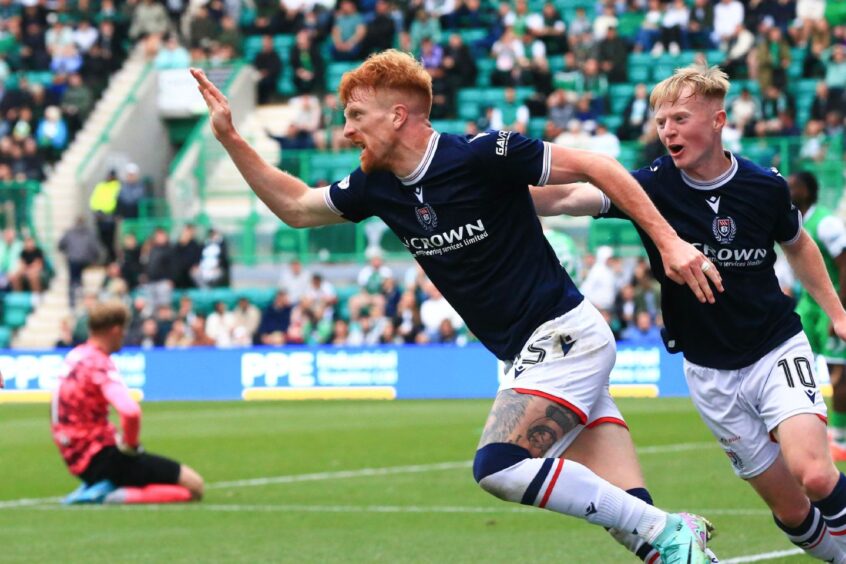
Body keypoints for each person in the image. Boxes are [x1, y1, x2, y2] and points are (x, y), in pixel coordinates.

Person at [190, 51, 722, 562]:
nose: (346, 130)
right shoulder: (377, 186)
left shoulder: (481, 155)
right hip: (525, 352)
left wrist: (671, 242)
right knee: (633, 521)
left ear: (398, 115)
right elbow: (297, 207)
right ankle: (675, 534)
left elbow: (598, 167)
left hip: (562, 336)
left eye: (356, 115)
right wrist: (230, 138)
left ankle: (668, 529)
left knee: (500, 466)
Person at [535, 63, 846, 562]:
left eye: (680, 118)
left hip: (774, 347)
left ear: (719, 120)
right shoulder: (650, 186)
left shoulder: (764, 185)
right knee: (791, 510)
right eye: (661, 122)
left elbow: (799, 244)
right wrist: (496, 193)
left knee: (813, 472)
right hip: (708, 372)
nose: (668, 131)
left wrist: (838, 313)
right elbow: (572, 195)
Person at [51, 301, 204, 504]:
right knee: (194, 487)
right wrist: (131, 447)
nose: (124, 335)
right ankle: (108, 496)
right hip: (101, 457)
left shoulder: (75, 356)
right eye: (123, 330)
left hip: (74, 458)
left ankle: (101, 485)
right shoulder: (99, 363)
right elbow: (130, 412)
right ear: (115, 330)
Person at [788, 171, 846, 462]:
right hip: (807, 305)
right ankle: (809, 429)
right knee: (797, 366)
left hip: (831, 302)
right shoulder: (793, 221)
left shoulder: (827, 222)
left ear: (808, 192)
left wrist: (841, 312)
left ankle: (842, 437)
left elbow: (845, 265)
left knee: (839, 374)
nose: (788, 190)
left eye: (793, 186)